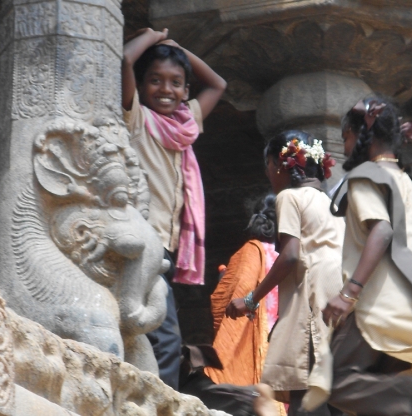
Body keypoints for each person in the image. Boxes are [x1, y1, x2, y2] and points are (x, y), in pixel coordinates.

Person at [309, 97, 412, 416]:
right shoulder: (407, 182)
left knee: (331, 381)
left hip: (377, 304)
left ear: (361, 135)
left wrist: (348, 293)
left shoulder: (366, 176)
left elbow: (382, 230)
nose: (345, 147)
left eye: (345, 137)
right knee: (377, 397)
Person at [122, 27, 227, 390]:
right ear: (141, 84)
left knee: (154, 334)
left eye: (176, 82)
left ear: (185, 91)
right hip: (142, 240)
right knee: (166, 339)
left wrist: (176, 47)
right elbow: (125, 59)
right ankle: (162, 405)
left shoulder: (185, 123)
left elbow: (218, 85)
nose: (165, 89)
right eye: (155, 80)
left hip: (165, 248)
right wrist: (154, 37)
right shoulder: (137, 119)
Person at [226, 130, 345, 416]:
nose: (268, 174)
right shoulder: (330, 204)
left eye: (268, 165)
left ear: (280, 165)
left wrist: (251, 299)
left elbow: (290, 255)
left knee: (306, 397)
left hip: (312, 296)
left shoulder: (289, 197)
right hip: (338, 298)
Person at [206, 194, 281, 387]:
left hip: (258, 344)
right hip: (281, 346)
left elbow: (230, 301)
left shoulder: (251, 251)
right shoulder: (288, 256)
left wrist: (224, 282)